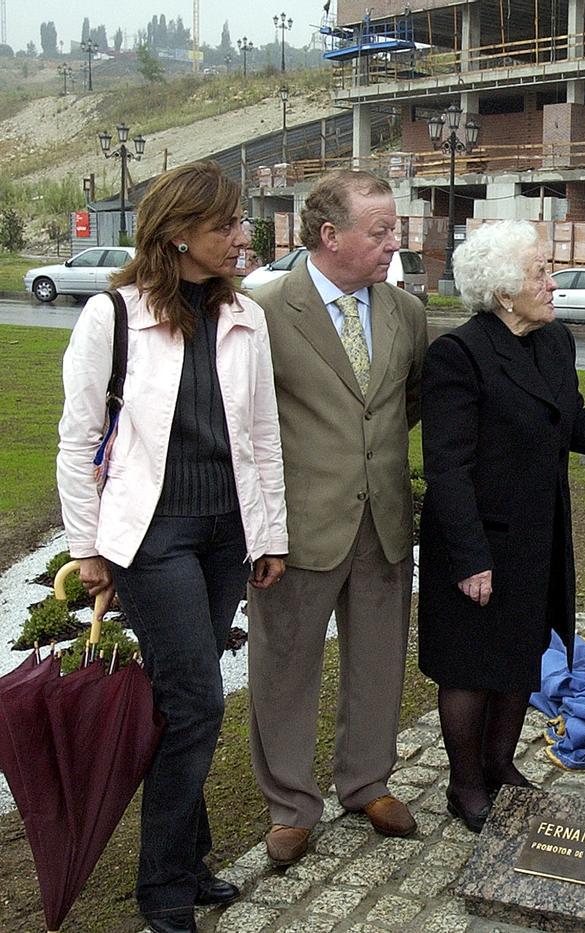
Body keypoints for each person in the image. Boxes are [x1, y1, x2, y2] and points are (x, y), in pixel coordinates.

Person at [57, 160, 288, 933]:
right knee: (196, 700)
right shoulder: (114, 315)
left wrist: (270, 532)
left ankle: (186, 858)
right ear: (178, 233)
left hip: (227, 532)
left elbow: (262, 435)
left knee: (178, 698)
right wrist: (88, 546)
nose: (242, 237)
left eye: (241, 223)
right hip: (152, 538)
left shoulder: (244, 317)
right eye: (226, 225)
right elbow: (79, 436)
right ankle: (162, 885)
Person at [419, 220, 585, 831]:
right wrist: (470, 560)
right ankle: (465, 784)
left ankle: (499, 767)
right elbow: (446, 468)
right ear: (502, 293)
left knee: (521, 655)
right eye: (540, 273)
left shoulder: (552, 344)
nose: (552, 283)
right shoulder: (459, 353)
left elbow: (571, 423)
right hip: (477, 541)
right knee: (470, 667)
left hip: (537, 536)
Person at [246, 170, 427, 864]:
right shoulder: (262, 311)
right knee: (284, 668)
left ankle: (366, 781)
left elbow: (404, 403)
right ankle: (291, 805)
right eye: (380, 231)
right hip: (295, 533)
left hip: (381, 520)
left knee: (379, 662)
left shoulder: (405, 312)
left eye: (394, 229)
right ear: (329, 236)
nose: (393, 243)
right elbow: (248, 424)